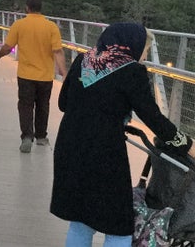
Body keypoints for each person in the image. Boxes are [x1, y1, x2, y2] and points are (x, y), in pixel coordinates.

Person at [50, 23, 195, 246]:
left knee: (80, 221)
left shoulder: (84, 60)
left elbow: (63, 103)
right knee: (119, 225)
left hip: (69, 147)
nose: (144, 55)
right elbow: (153, 118)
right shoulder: (131, 71)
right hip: (103, 155)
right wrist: (187, 144)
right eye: (145, 49)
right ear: (132, 45)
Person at [0, 0, 65, 152]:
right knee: (43, 106)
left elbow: (8, 47)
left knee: (25, 105)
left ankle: (26, 136)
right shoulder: (51, 27)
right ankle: (41, 137)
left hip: (25, 75)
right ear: (41, 8)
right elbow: (58, 51)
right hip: (45, 75)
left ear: (27, 8)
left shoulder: (19, 25)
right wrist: (64, 73)